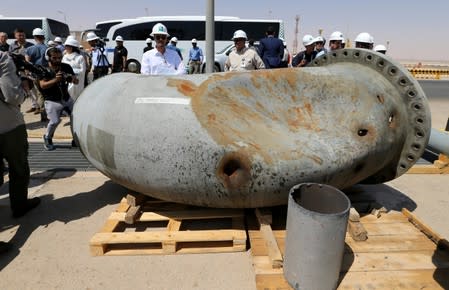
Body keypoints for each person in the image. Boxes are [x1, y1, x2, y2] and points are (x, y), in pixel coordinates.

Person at [0, 51, 41, 220]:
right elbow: (12, 96)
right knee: (18, 168)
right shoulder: (2, 58)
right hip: (7, 126)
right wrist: (24, 86)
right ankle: (19, 205)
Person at [39, 47, 78, 151]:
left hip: (66, 98)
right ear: (48, 58)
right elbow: (42, 85)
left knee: (75, 119)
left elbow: (76, 80)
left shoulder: (66, 66)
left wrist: (72, 78)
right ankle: (47, 137)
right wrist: (56, 80)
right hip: (52, 100)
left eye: (60, 58)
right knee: (55, 121)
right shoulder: (43, 69)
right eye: (54, 58)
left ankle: (76, 139)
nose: (57, 60)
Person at [25, 28, 48, 117]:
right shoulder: (47, 48)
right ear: (43, 37)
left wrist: (28, 74)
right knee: (46, 94)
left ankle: (43, 114)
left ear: (34, 37)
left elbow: (27, 63)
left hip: (35, 75)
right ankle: (46, 112)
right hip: (46, 74)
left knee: (40, 94)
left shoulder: (29, 49)